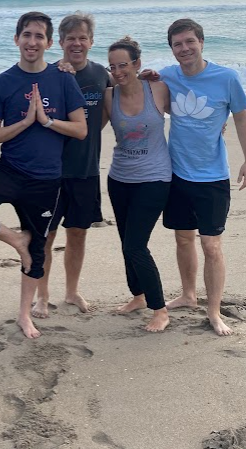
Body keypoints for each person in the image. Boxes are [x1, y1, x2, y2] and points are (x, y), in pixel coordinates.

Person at [0, 12, 87, 339]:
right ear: (17, 39)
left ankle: (25, 315)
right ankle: (18, 241)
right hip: (10, 171)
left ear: (49, 42)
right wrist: (25, 123)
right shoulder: (3, 82)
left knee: (39, 250)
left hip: (46, 180)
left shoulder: (63, 79)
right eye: (26, 35)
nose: (32, 42)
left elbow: (81, 130)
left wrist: (46, 121)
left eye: (39, 36)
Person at [160, 18, 246, 336]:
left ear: (201, 42)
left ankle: (214, 311)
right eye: (177, 44)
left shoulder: (226, 78)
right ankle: (188, 295)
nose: (184, 48)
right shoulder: (167, 76)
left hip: (213, 176)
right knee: (183, 238)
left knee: (211, 245)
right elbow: (145, 99)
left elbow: (240, 118)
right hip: (176, 173)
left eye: (189, 41)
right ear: (171, 49)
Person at [32, 12, 111, 318]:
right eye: (71, 39)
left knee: (77, 233)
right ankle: (41, 295)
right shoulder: (50, 74)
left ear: (91, 41)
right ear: (60, 42)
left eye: (83, 38)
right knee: (46, 236)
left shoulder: (101, 74)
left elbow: (113, 104)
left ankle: (72, 291)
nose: (77, 43)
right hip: (50, 172)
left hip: (85, 170)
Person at [103, 37, 172, 332]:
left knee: (135, 245)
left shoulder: (158, 88)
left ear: (137, 64)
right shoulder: (109, 96)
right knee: (126, 243)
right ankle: (139, 296)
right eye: (113, 66)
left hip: (155, 178)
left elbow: (188, 116)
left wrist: (218, 124)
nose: (118, 71)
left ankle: (160, 309)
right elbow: (87, 128)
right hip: (119, 179)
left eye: (124, 65)